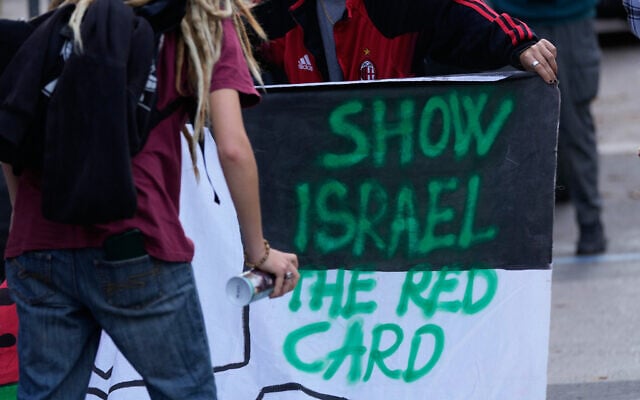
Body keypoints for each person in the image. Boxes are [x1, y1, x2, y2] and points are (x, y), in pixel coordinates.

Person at [0, 0, 299, 399]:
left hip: (38, 246)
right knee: (184, 392)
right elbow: (232, 148)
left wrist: (24, 225)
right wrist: (258, 252)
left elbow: (12, 135)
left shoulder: (55, 24)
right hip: (135, 242)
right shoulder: (199, 21)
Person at [490, 0, 607, 255]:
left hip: (570, 18)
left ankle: (590, 222)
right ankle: (519, 236)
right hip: (511, 19)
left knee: (575, 128)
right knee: (515, 134)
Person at [251, 0, 558, 85]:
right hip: (315, 186)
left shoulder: (396, 7)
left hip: (396, 178)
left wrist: (518, 44)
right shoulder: (271, 14)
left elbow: (460, 15)